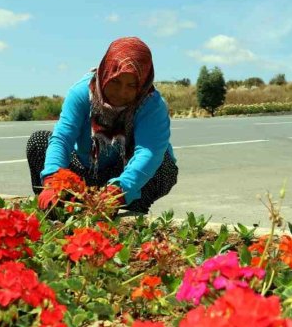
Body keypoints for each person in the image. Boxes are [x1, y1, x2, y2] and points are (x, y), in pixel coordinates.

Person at [26, 37, 178, 214]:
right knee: (39, 142)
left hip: (124, 172)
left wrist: (118, 192)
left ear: (143, 83)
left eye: (132, 85)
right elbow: (63, 138)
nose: (122, 92)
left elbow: (148, 152)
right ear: (106, 73)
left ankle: (130, 212)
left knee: (163, 163)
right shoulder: (82, 92)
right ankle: (54, 209)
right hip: (84, 170)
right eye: (115, 81)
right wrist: (53, 180)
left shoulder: (152, 105)